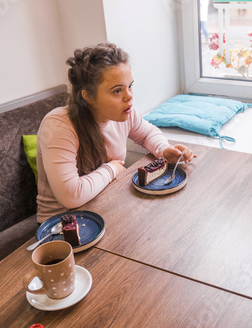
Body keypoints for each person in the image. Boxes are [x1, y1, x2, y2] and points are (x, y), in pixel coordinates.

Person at [36, 43, 196, 223]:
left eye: (130, 86)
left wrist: (164, 150)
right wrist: (112, 168)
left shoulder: (124, 112)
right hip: (61, 227)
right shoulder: (59, 126)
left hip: (108, 206)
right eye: (117, 90)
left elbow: (146, 133)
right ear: (88, 96)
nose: (129, 96)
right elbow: (71, 196)